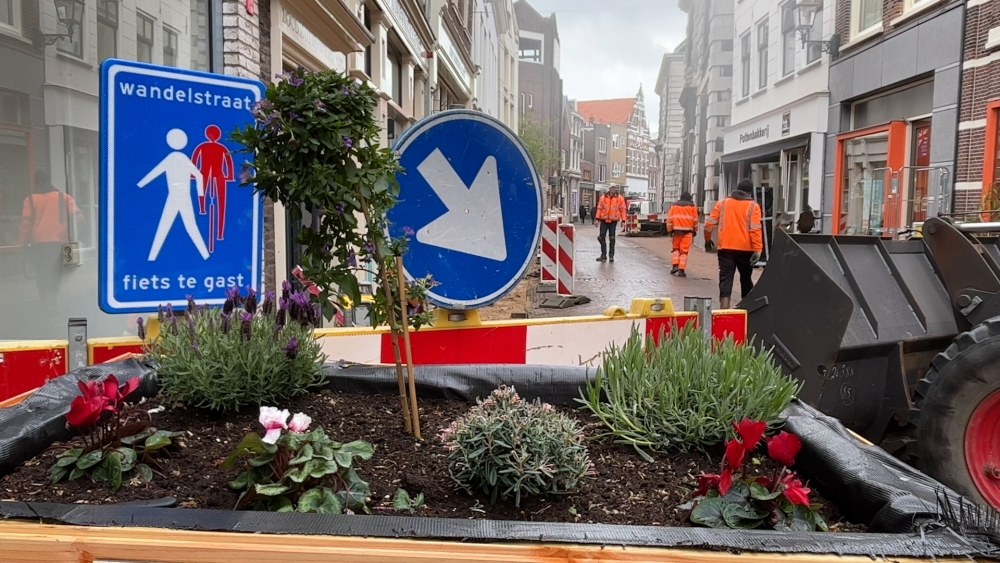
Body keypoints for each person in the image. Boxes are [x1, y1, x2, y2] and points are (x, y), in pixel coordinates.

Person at [20, 170, 86, 302]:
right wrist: (74, 232)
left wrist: (23, 242)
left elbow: (26, 223)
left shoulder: (30, 200)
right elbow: (79, 217)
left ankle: (44, 295)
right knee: (56, 270)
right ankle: (52, 295)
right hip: (59, 241)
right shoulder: (63, 197)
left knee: (42, 270)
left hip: (39, 243)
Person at [704, 179, 763, 309]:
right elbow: (755, 229)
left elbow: (708, 224)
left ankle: (724, 307)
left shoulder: (722, 203)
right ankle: (746, 307)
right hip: (745, 249)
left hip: (725, 248)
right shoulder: (754, 206)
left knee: (725, 277)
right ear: (750, 192)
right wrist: (758, 249)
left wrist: (708, 240)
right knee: (746, 277)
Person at [666, 192, 698, 277]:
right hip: (688, 232)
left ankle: (675, 265)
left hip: (676, 231)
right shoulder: (692, 207)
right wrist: (695, 230)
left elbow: (669, 219)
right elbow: (695, 220)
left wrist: (669, 230)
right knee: (684, 251)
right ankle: (681, 270)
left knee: (676, 249)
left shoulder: (674, 206)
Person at [594, 186, 627, 262]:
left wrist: (623, 220)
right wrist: (597, 219)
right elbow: (599, 208)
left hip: (613, 220)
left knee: (612, 238)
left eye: (615, 188)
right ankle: (603, 255)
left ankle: (611, 255)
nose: (613, 189)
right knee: (601, 237)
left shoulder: (620, 198)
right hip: (604, 220)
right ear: (609, 189)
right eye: (612, 188)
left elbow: (623, 209)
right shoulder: (603, 198)